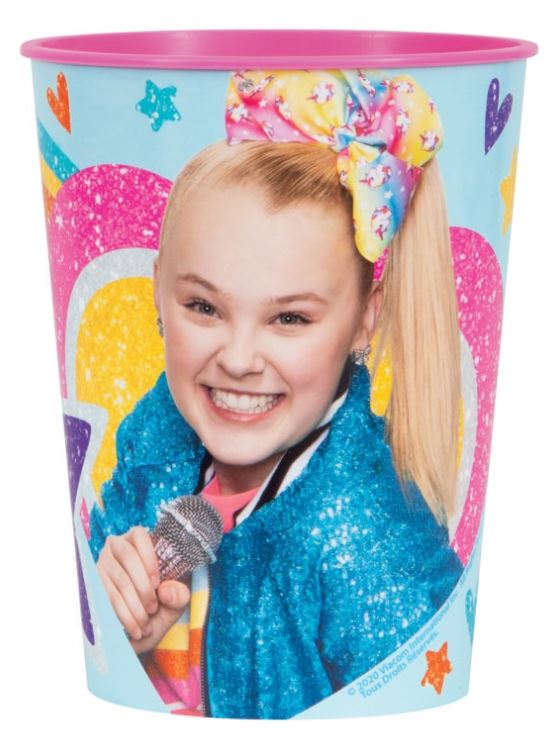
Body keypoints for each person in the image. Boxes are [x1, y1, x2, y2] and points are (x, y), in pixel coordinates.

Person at [87, 69, 464, 719]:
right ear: (158, 290)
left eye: (289, 318)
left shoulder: (368, 549)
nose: (236, 359)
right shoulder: (159, 434)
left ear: (365, 317)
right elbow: (92, 640)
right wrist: (116, 621)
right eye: (203, 306)